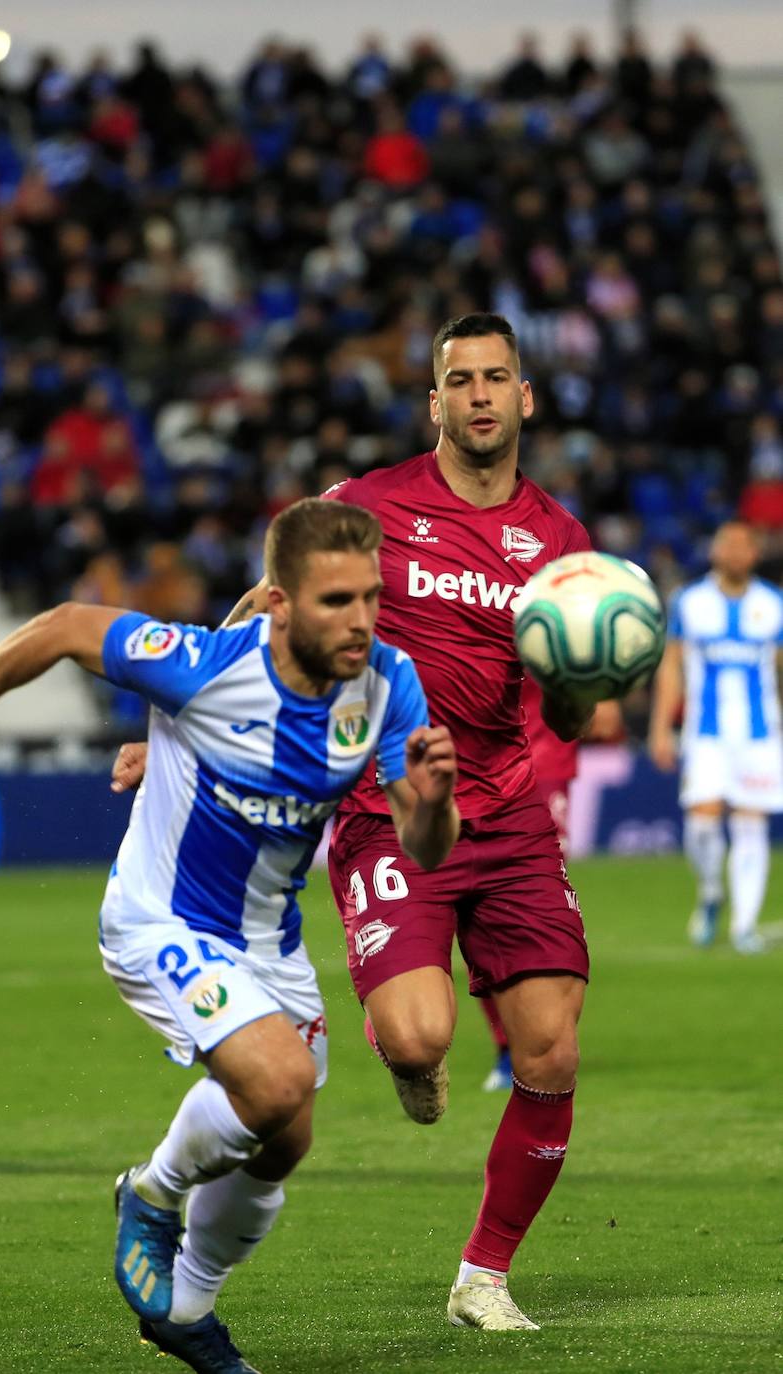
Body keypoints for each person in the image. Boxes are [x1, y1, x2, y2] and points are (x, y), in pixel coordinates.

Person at [115, 314, 603, 1333]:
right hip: (393, 813)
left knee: (549, 1052)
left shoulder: (560, 545)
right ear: (433, 402)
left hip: (508, 817)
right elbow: (260, 613)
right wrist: (179, 737)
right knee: (416, 1038)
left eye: (495, 377)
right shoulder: (367, 507)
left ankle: (483, 1276)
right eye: (458, 379)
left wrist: (584, 676)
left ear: (525, 398)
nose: (477, 395)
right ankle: (414, 1062)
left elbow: (565, 711)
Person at [0, 498, 459, 1374]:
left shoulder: (388, 686)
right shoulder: (207, 664)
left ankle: (186, 1309)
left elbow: (424, 845)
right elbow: (70, 626)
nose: (361, 620)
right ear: (280, 603)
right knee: (279, 1078)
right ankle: (151, 1194)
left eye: (370, 597)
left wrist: (436, 801)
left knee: (285, 1134)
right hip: (161, 920)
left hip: (270, 941)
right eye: (336, 602)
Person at [648, 520, 783, 953]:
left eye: (746, 545)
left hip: (760, 736)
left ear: (755, 554)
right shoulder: (690, 602)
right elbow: (671, 667)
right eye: (730, 544)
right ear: (716, 552)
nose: (738, 552)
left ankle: (744, 926)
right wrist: (660, 727)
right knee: (702, 825)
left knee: (750, 823)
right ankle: (710, 891)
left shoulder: (773, 604)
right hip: (706, 735)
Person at [480, 683, 622, 1091]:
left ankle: (544, 1035)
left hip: (545, 757)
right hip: (480, 762)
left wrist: (604, 684)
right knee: (479, 905)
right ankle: (508, 1043)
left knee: (540, 902)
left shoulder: (554, 616)